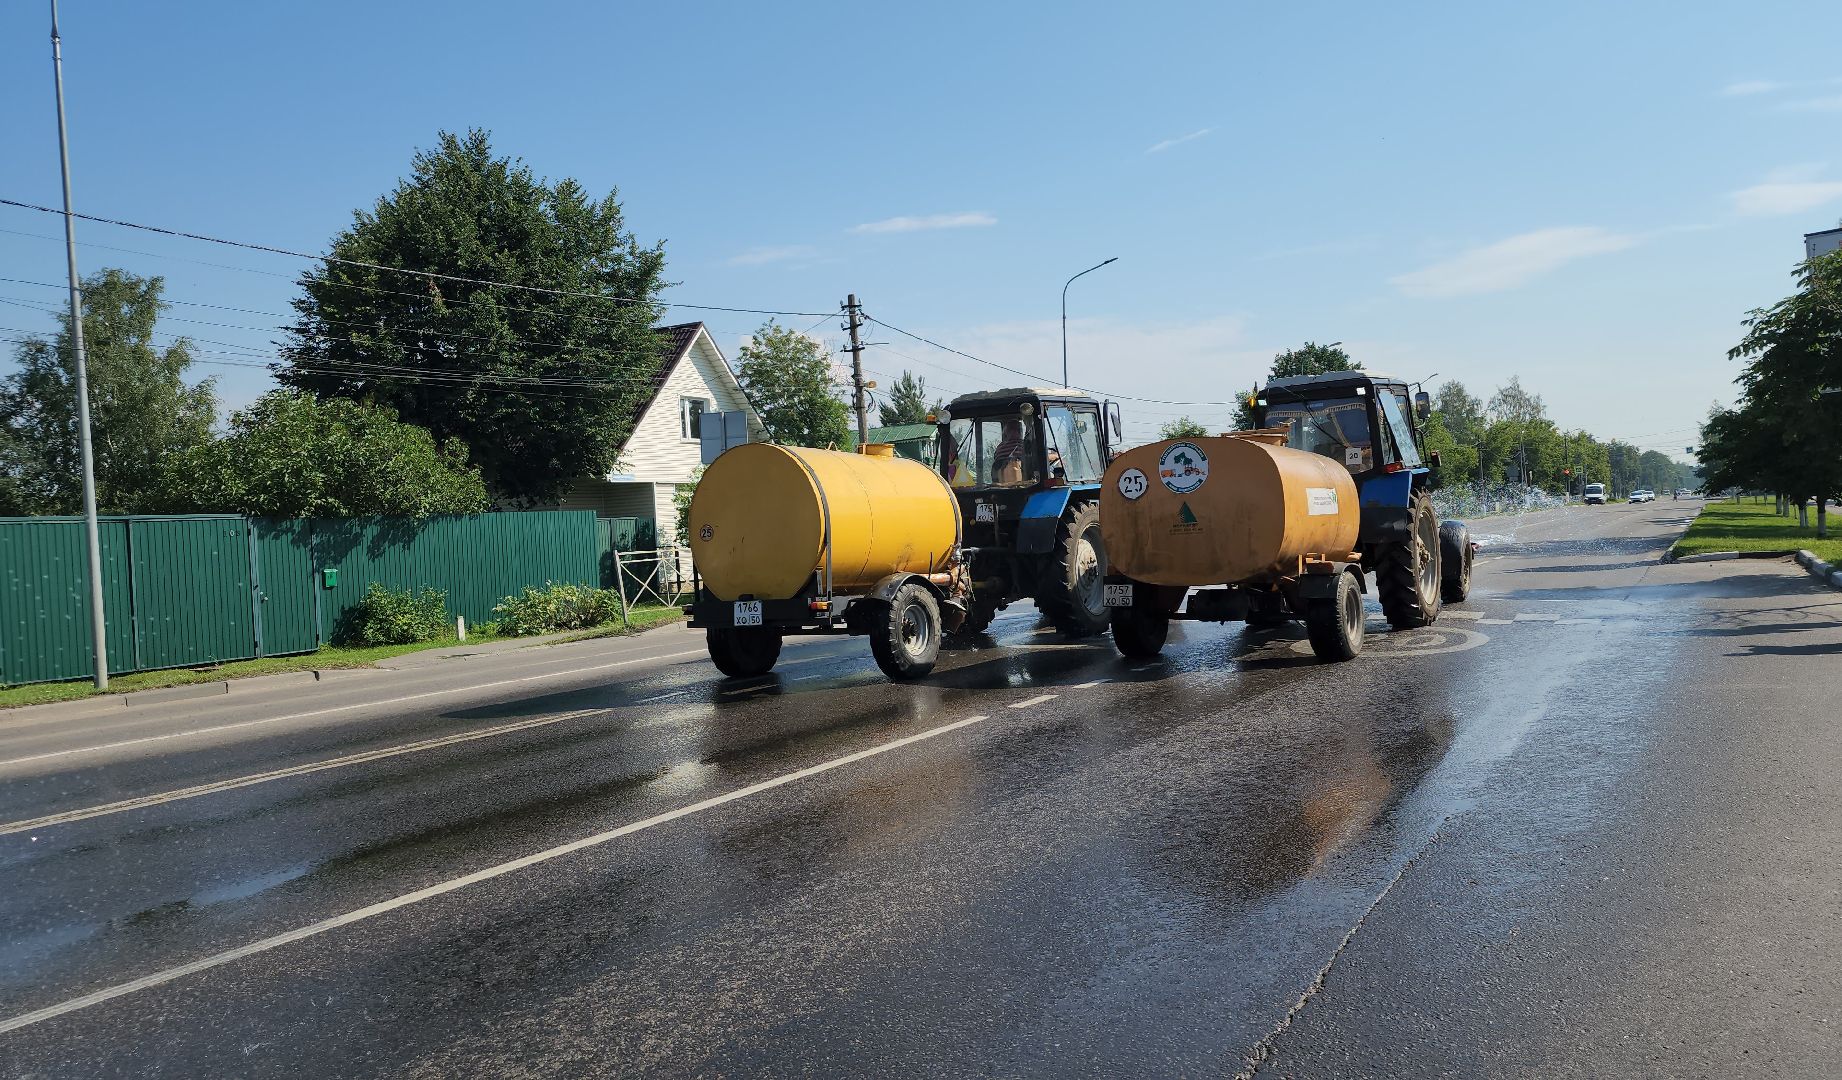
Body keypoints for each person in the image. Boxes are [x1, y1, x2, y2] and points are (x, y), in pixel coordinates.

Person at [992, 418, 1032, 485]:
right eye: (1018, 429)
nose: (1017, 431)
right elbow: (1038, 457)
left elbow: (996, 460)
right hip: (1022, 483)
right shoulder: (1022, 444)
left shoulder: (999, 447)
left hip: (1000, 483)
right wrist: (1055, 455)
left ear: (1006, 433)